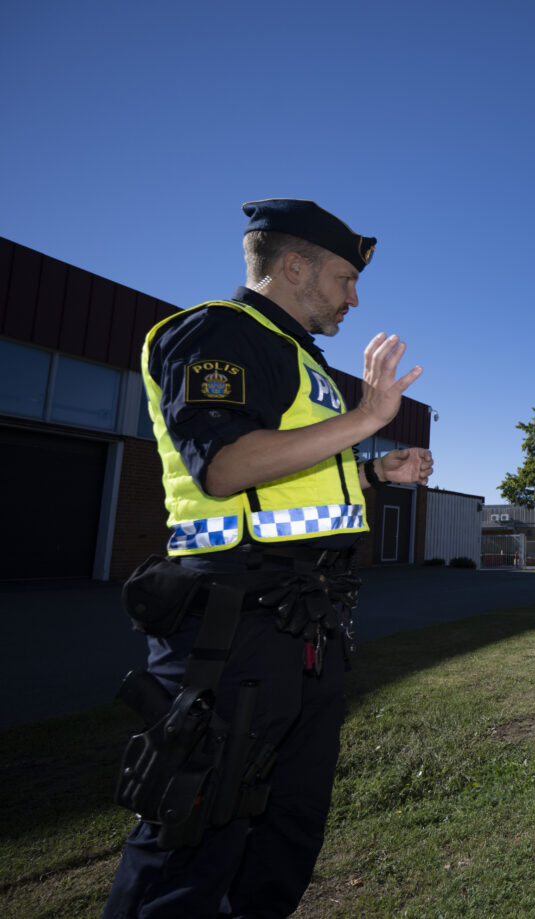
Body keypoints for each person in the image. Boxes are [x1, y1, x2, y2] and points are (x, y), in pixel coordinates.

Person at [104, 199, 433, 918]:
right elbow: (222, 465)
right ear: (292, 266)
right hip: (233, 627)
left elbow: (289, 477)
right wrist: (366, 421)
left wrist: (378, 472)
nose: (355, 296)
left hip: (304, 624)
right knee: (197, 827)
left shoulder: (296, 354)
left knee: (284, 834)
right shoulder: (218, 333)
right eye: (346, 278)